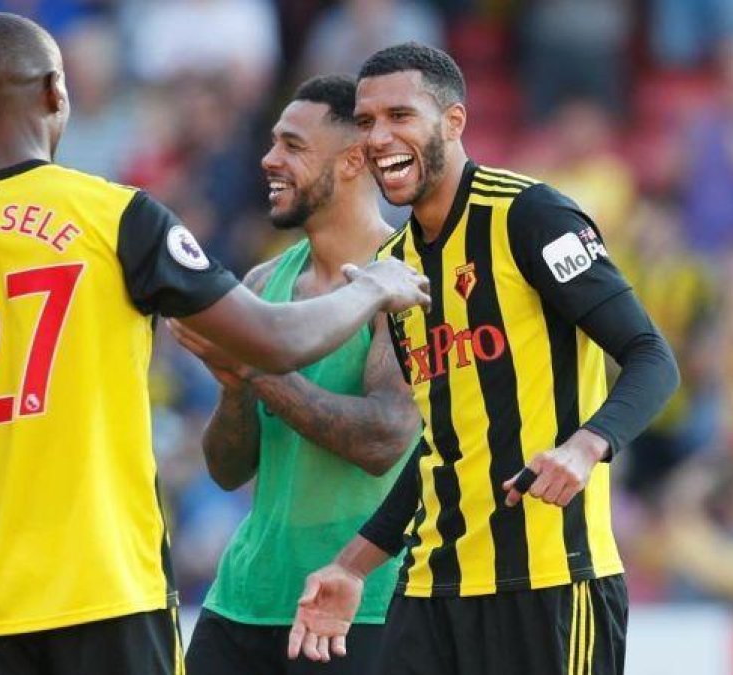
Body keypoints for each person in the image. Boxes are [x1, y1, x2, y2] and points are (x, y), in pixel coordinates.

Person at [0, 13, 431, 675]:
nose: (267, 159)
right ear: (57, 92)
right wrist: (370, 290)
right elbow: (272, 346)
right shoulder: (117, 217)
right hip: (107, 587)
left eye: (290, 145)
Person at [288, 42, 679, 675]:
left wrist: (586, 446)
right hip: (432, 587)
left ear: (454, 122)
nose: (379, 137)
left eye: (399, 116)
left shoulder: (532, 215)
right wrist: (352, 565)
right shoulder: (396, 266)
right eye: (366, 123)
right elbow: (443, 441)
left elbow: (651, 355)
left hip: (550, 576)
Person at [173, 75, 420, 675]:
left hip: (356, 602)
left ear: (356, 159)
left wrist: (257, 368)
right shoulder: (262, 285)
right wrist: (235, 385)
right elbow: (228, 469)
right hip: (244, 597)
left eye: (292, 145)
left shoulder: (408, 277)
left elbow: (384, 439)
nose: (269, 159)